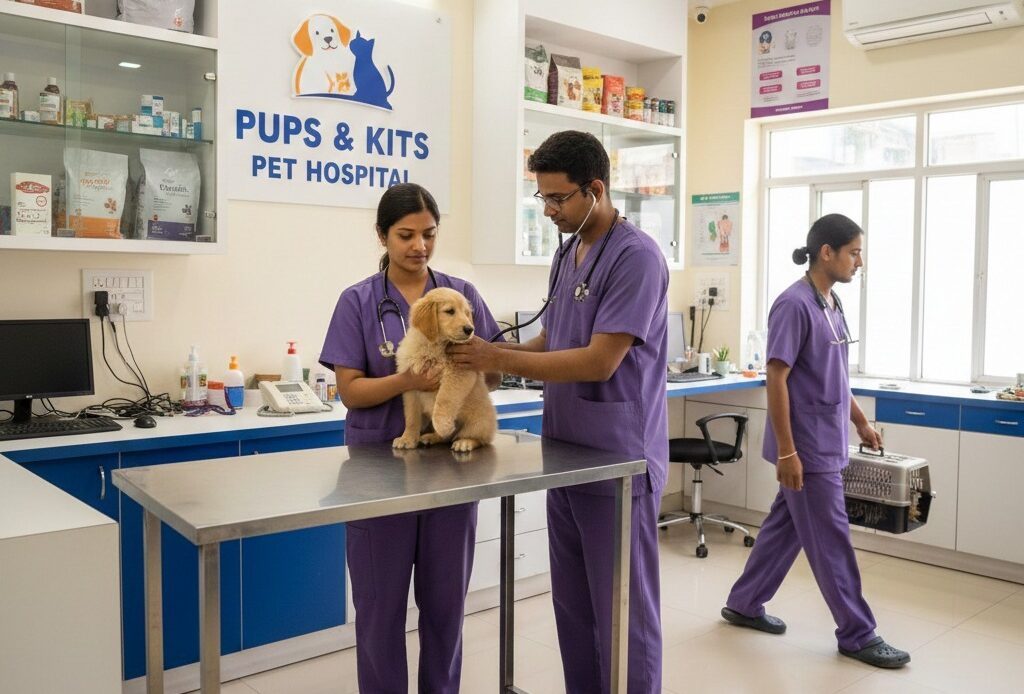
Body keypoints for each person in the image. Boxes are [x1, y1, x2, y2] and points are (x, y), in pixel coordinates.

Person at [448, 130, 668, 693]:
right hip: (567, 453)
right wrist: (489, 360)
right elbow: (555, 337)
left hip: (619, 461)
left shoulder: (636, 256)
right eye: (541, 199)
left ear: (595, 189)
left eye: (558, 198)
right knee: (573, 608)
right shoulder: (569, 250)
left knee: (624, 612)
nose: (548, 211)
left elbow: (599, 361)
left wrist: (497, 354)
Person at [318, 183, 502, 693]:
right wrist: (409, 381)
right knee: (379, 610)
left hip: (451, 470)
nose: (419, 245)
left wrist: (476, 361)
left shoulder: (460, 296)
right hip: (378, 471)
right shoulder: (356, 302)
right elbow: (352, 392)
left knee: (445, 607)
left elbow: (496, 373)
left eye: (429, 234)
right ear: (382, 236)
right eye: (405, 235)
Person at [720, 213, 911, 669]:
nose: (859, 262)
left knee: (785, 529)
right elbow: (776, 378)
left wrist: (861, 422)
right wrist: (788, 451)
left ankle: (744, 602)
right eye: (854, 252)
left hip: (826, 439)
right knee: (831, 539)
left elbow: (835, 374)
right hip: (805, 447)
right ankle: (857, 633)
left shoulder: (831, 302)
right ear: (827, 252)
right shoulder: (794, 304)